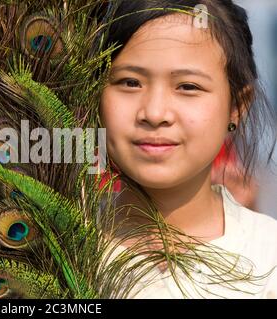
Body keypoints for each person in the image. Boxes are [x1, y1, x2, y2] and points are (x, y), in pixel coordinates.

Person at [99, 0, 277, 298]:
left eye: (188, 87)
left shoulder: (268, 258)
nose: (155, 113)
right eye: (130, 82)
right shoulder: (46, 249)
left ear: (236, 107)